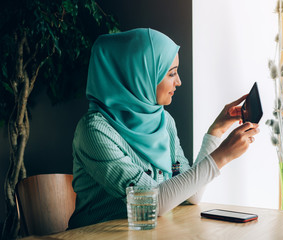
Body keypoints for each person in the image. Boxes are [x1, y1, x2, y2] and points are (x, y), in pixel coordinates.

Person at [68, 28, 259, 229]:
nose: (179, 81)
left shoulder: (163, 121)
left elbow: (191, 195)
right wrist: (222, 156)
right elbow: (151, 202)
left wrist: (217, 131)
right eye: (171, 73)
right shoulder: (95, 132)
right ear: (140, 75)